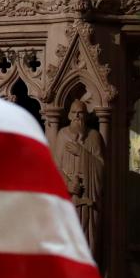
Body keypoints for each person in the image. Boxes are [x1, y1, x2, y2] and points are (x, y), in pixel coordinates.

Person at [54, 99, 105, 257]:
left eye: (81, 112)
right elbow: (55, 167)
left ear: (86, 116)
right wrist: (68, 185)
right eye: (74, 112)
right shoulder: (62, 135)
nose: (78, 116)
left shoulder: (94, 136)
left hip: (88, 198)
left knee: (87, 242)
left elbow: (101, 166)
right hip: (68, 197)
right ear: (69, 115)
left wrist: (81, 153)